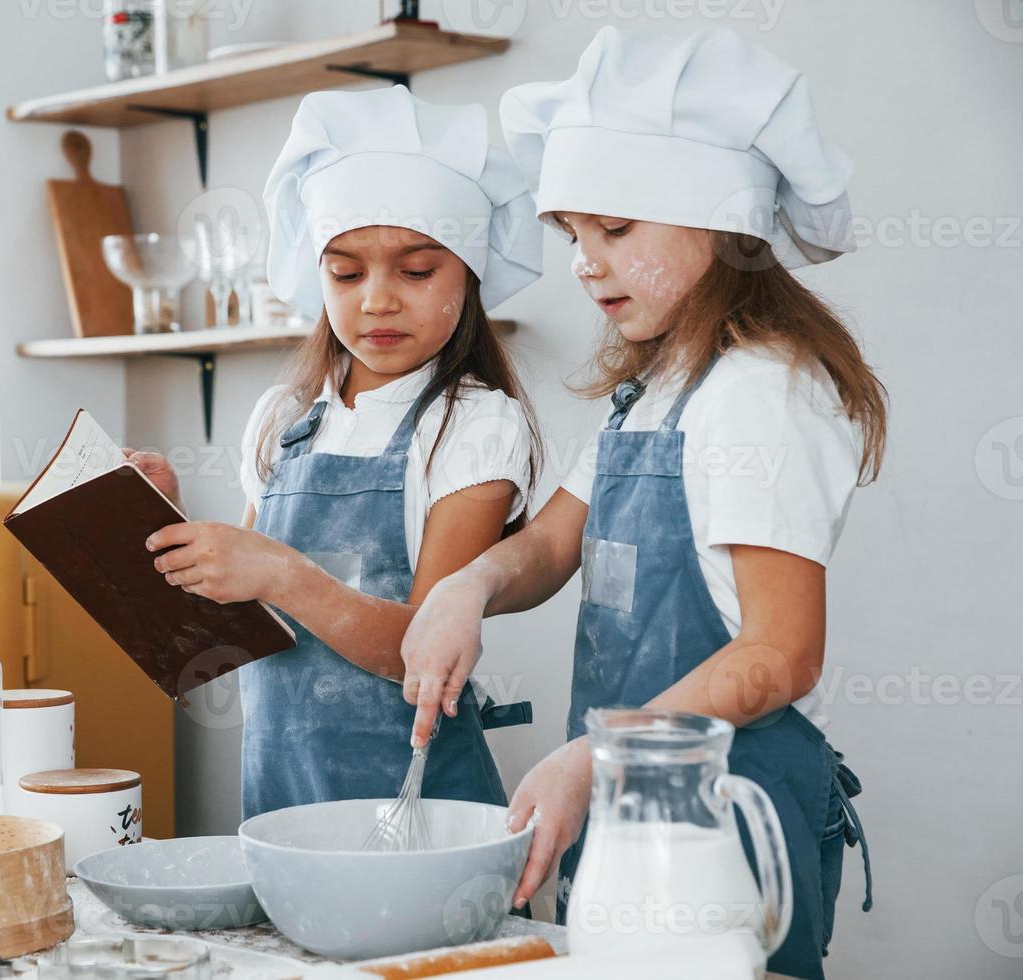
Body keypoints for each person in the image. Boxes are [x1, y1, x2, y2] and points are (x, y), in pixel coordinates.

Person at [398, 28, 882, 979]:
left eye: (616, 230)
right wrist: (468, 587)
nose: (586, 262)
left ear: (721, 222)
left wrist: (595, 761)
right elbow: (546, 547)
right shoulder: (655, 392)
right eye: (573, 235)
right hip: (640, 807)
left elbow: (780, 654)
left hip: (732, 816)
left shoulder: (760, 392)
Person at [132, 85, 543, 820]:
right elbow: (233, 638)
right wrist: (163, 520)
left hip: (417, 809)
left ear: (470, 277)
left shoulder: (477, 425)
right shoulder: (285, 418)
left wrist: (283, 572)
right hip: (284, 798)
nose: (377, 300)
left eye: (417, 271)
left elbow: (423, 651)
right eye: (346, 273)